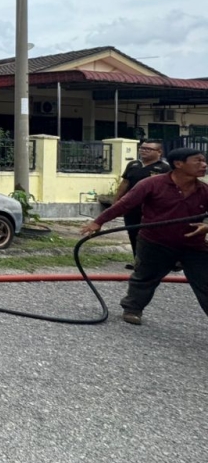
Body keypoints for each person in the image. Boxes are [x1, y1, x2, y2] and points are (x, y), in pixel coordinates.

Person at [80, 147, 208, 326]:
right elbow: (124, 204)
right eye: (198, 160)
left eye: (204, 161)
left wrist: (206, 227)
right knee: (145, 278)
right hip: (155, 242)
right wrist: (98, 222)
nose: (204, 165)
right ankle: (132, 308)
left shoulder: (204, 190)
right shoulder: (152, 184)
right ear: (179, 164)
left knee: (205, 281)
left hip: (193, 245)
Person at [114, 139, 171, 266]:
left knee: (153, 234)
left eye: (148, 149)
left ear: (159, 152)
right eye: (142, 148)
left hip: (154, 209)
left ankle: (157, 262)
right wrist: (116, 202)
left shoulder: (164, 168)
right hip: (132, 207)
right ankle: (138, 262)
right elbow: (125, 183)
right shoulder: (133, 165)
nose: (144, 151)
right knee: (133, 233)